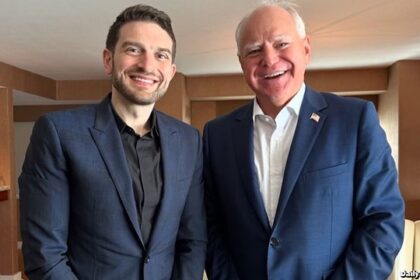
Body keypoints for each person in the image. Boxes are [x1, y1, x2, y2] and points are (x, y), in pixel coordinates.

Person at [203, 1, 404, 279]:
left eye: (281, 44)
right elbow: (212, 228)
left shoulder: (355, 120)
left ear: (306, 49)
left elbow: (383, 220)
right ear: (241, 62)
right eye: (254, 50)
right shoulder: (217, 135)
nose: (270, 59)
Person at [19, 4, 206, 280]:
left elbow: (193, 240)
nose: (147, 64)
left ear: (171, 70)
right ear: (108, 60)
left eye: (161, 55)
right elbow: (44, 255)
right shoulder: (58, 133)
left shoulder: (189, 140)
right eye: (133, 50)